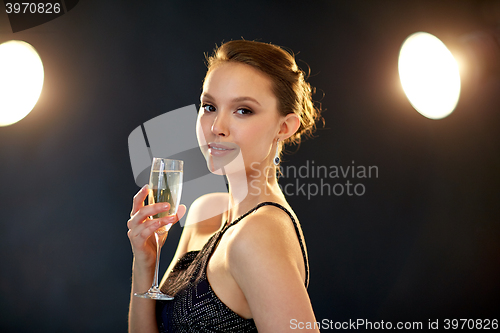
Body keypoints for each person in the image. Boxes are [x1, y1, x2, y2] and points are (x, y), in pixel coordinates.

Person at [127, 40, 323, 332]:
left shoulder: (259, 233)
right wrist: (145, 263)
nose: (216, 126)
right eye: (209, 106)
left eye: (243, 110)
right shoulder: (207, 211)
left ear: (284, 127)